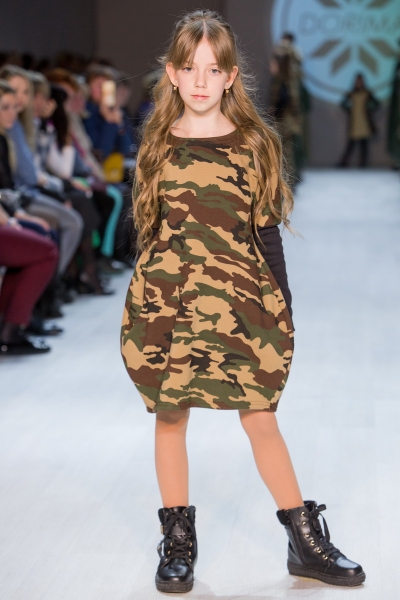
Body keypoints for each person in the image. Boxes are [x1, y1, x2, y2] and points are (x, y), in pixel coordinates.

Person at [120, 10, 365, 594]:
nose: (200, 80)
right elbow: (149, 232)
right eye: (189, 68)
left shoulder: (254, 144)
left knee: (260, 415)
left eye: (213, 69)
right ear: (172, 73)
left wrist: (283, 307)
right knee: (170, 414)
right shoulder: (156, 143)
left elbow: (267, 231)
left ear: (231, 75)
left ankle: (304, 541)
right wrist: (143, 308)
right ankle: (178, 542)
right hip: (169, 301)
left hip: (241, 299)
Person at [269, 33, 309, 185]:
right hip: (285, 120)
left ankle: (289, 181)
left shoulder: (290, 82)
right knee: (286, 150)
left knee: (288, 150)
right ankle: (288, 180)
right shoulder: (282, 81)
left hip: (287, 121)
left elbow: (294, 102)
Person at [338, 73, 380, 168]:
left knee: (363, 145)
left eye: (360, 81)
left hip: (364, 122)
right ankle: (343, 163)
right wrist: (349, 109)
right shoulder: (351, 93)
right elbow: (343, 103)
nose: (359, 83)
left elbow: (376, 103)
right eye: (358, 81)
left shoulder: (367, 93)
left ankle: (363, 164)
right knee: (351, 145)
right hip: (355, 122)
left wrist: (369, 108)